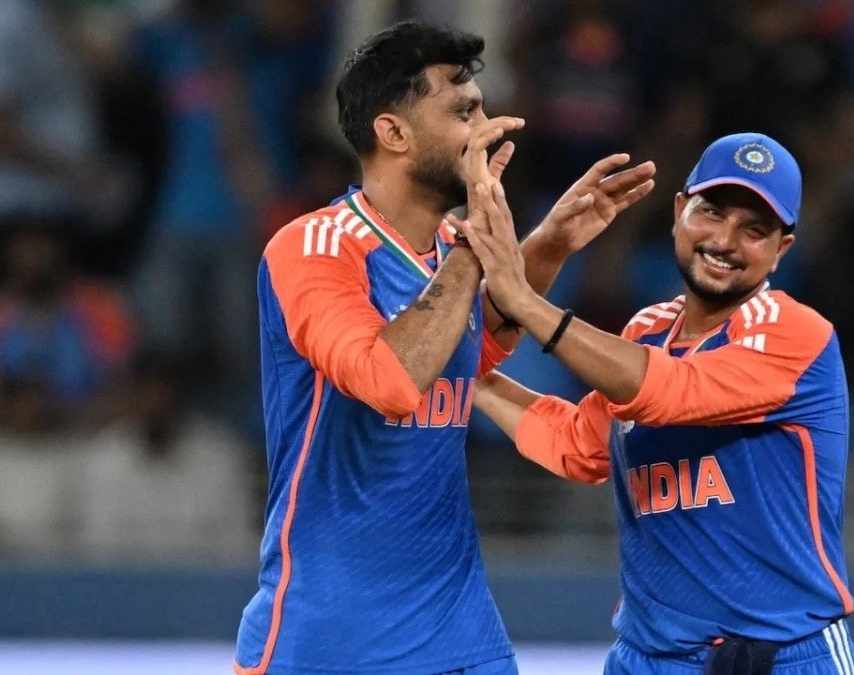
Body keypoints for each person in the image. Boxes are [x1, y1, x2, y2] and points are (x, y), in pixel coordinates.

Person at [233, 21, 655, 675]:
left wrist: (550, 244)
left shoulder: (448, 249)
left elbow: (465, 356)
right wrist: (475, 243)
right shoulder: (314, 247)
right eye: (464, 112)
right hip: (330, 642)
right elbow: (392, 380)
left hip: (461, 633)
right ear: (393, 133)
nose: (488, 130)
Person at [464, 133, 854, 674]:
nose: (724, 241)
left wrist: (523, 301)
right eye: (712, 213)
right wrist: (470, 379)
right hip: (650, 657)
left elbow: (667, 392)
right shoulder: (647, 331)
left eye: (754, 229)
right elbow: (580, 446)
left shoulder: (794, 333)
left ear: (780, 250)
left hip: (780, 656)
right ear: (679, 211)